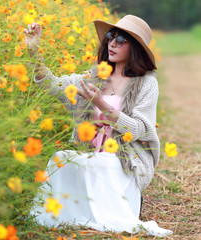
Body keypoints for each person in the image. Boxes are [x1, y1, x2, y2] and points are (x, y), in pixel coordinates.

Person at [23, 15, 173, 237]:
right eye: (111, 37)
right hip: (91, 156)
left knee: (106, 163)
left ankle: (125, 200)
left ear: (136, 49)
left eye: (121, 39)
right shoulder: (94, 76)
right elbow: (53, 86)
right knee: (61, 159)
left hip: (124, 160)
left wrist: (101, 104)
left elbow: (139, 128)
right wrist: (33, 52)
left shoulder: (146, 83)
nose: (112, 43)